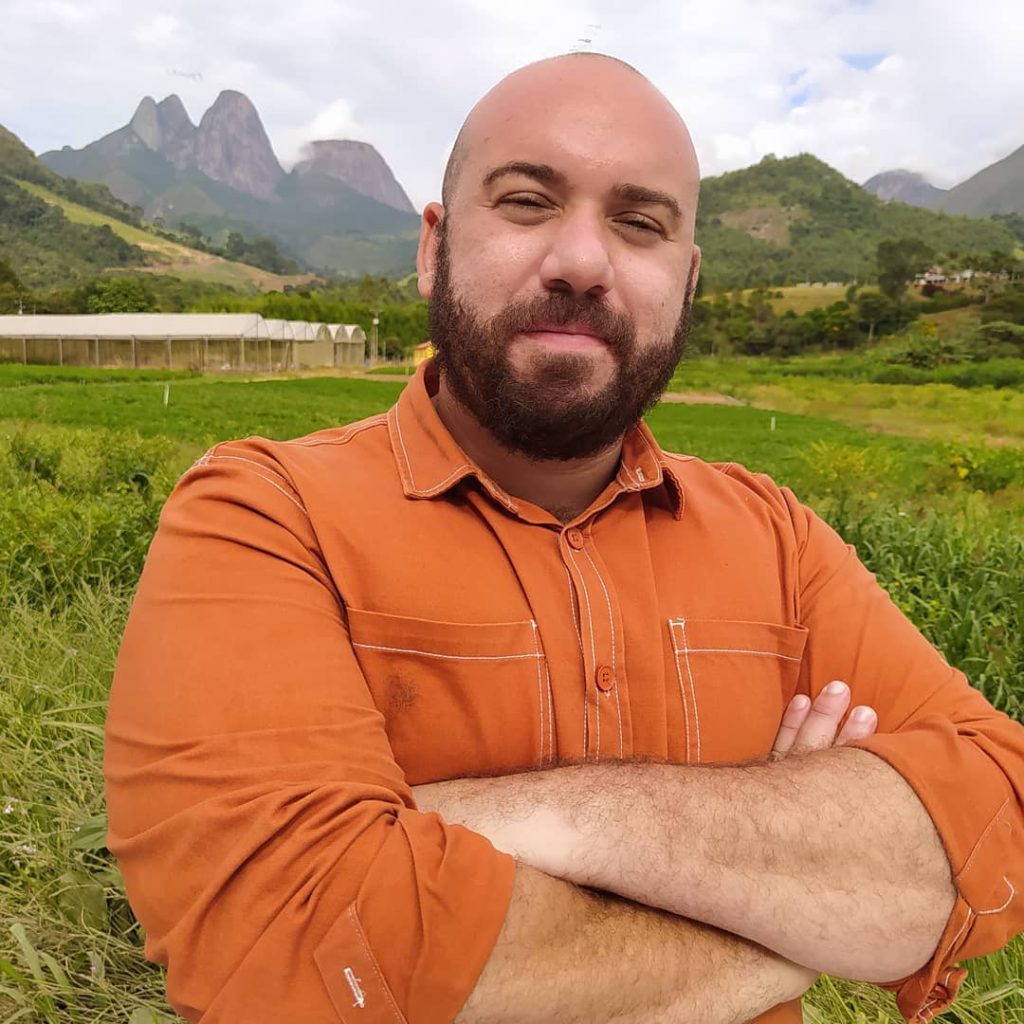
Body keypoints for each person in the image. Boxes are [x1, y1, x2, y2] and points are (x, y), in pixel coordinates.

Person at [105, 54, 1024, 1024]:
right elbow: (299, 939)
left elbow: (994, 811)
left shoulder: (778, 540)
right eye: (527, 200)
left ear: (690, 279)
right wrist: (802, 892)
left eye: (639, 223)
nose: (582, 260)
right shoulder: (262, 513)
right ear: (433, 245)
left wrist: (507, 820)